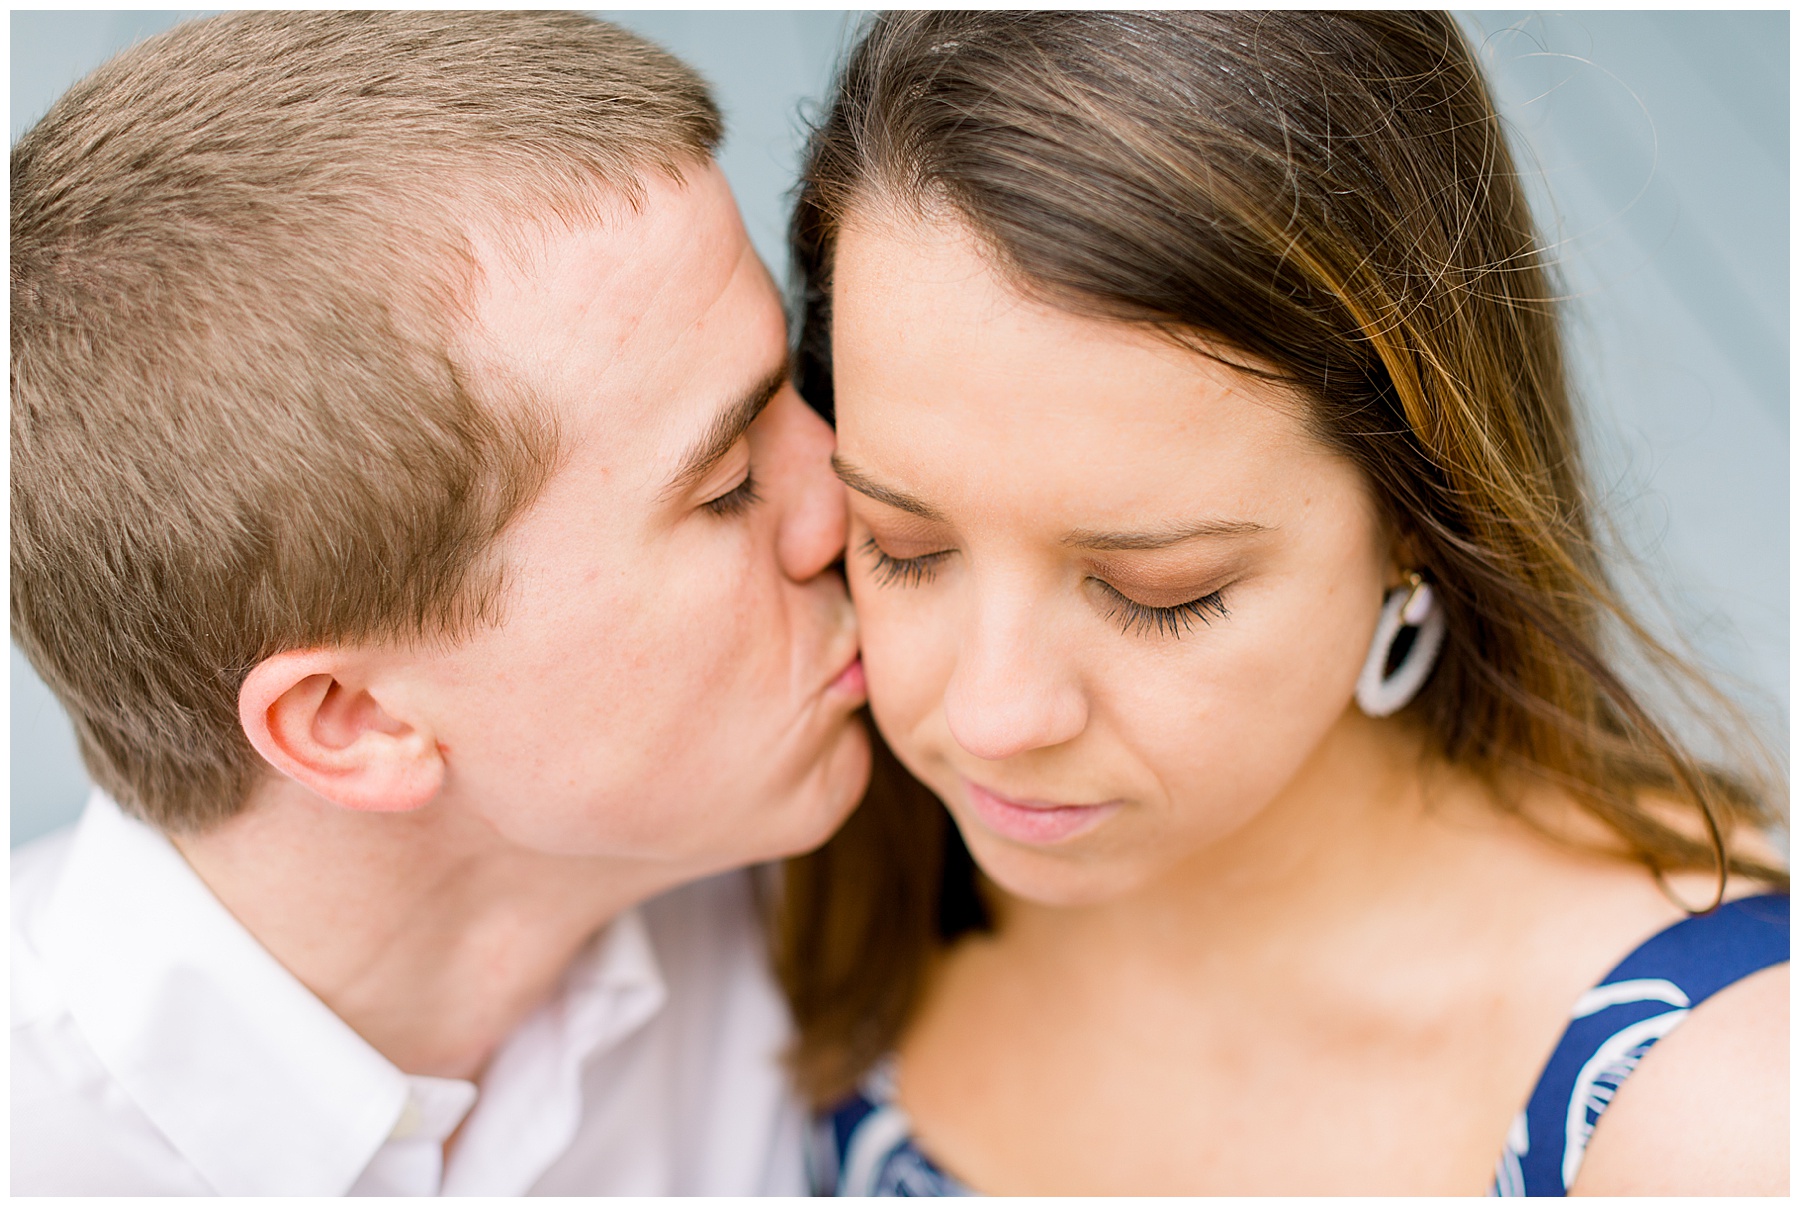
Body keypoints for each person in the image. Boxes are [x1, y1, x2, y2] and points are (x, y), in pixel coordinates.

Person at [774, 11, 1788, 1196]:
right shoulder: (794, 840)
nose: (993, 716)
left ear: (1419, 514)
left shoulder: (1714, 1107)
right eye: (902, 546)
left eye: (1159, 593)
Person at [11, 11, 870, 1195]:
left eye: (801, 388)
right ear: (353, 720)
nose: (849, 503)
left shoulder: (836, 890)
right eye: (726, 485)